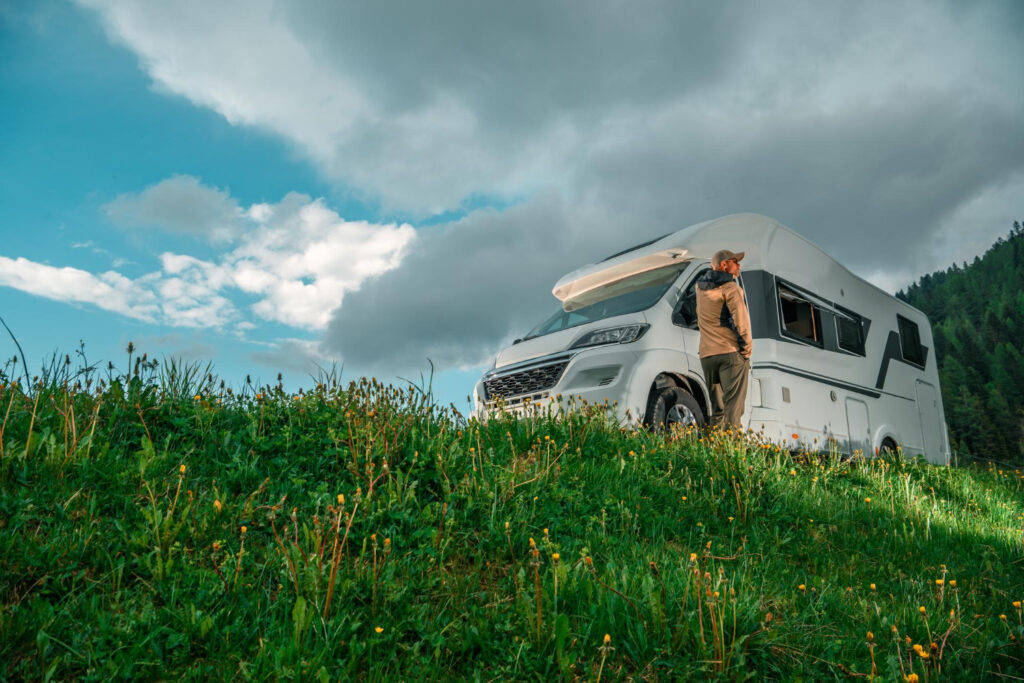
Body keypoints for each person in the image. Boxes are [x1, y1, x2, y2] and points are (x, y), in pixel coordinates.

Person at [696, 249, 753, 430]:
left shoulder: (699, 289)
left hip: (707, 356)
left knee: (718, 411)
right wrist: (746, 349)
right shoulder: (731, 289)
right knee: (733, 410)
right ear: (724, 264)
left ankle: (713, 452)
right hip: (729, 353)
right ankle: (732, 455)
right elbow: (741, 322)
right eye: (735, 262)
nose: (739, 266)